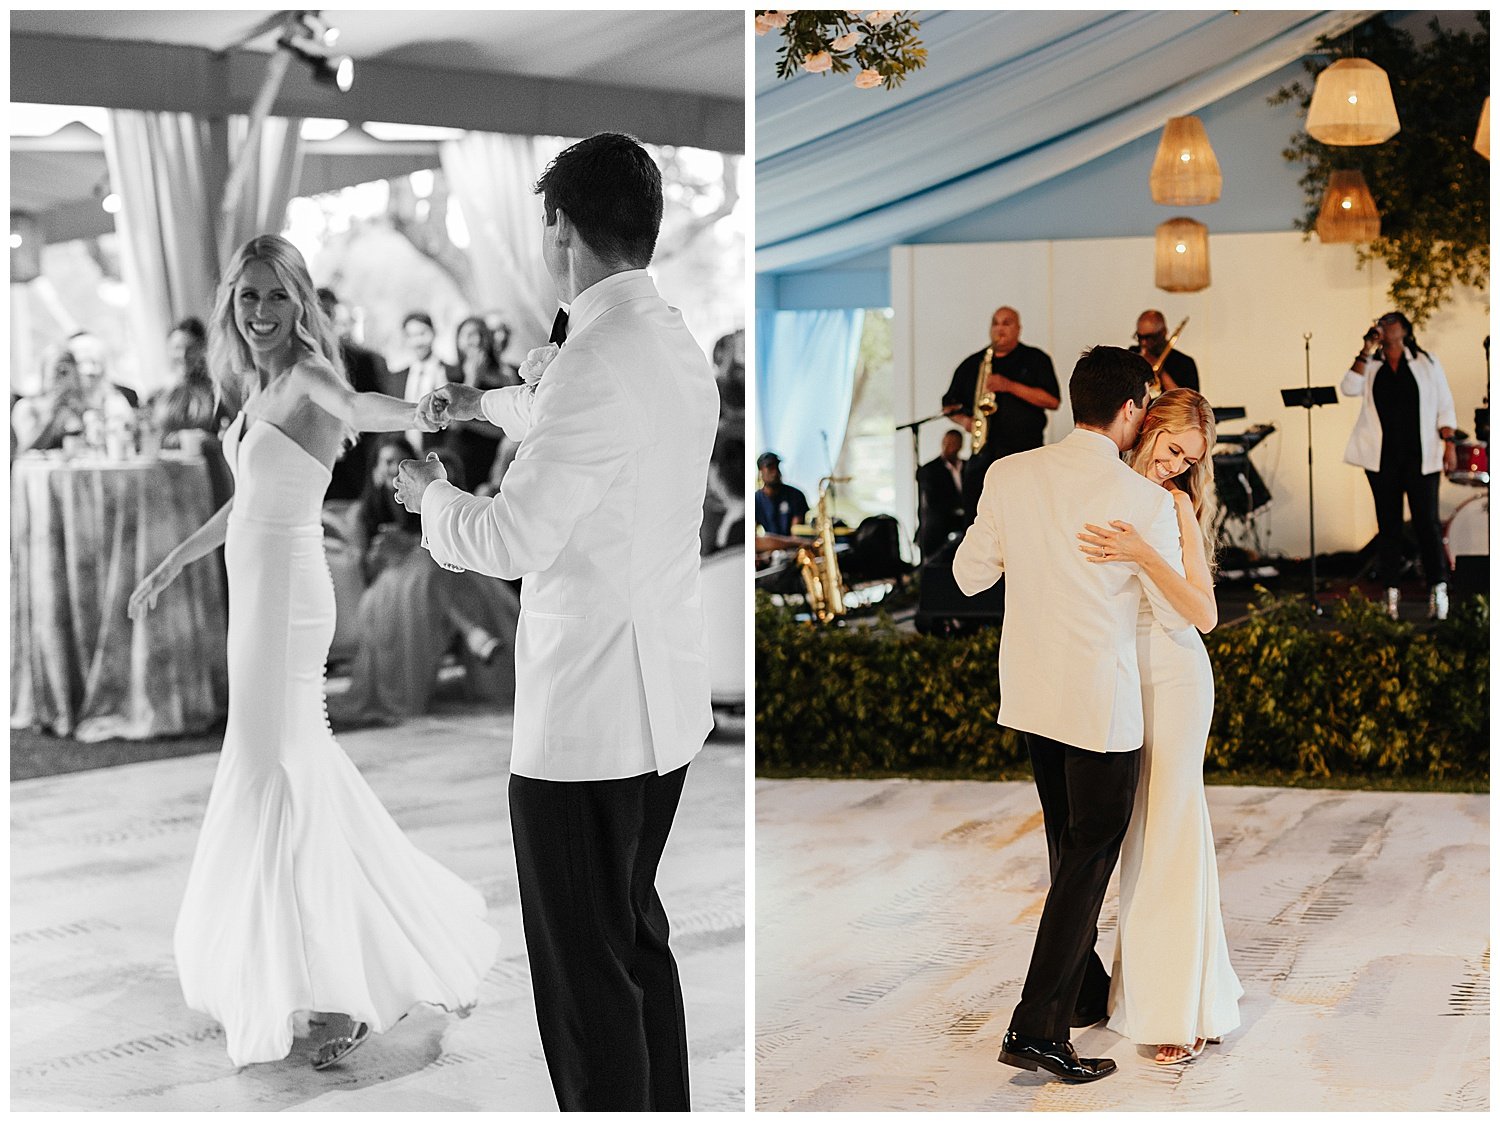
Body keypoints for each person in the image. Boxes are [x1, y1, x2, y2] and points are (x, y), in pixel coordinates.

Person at [396, 131, 717, 1111]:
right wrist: (482, 403)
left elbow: (513, 538)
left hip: (586, 722)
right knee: (634, 944)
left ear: (558, 228)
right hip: (663, 702)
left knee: (584, 982)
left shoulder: (595, 362)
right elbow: (581, 419)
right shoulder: (671, 344)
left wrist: (428, 499)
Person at [126, 233, 498, 1071]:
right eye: (248, 298)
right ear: (232, 302)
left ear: (301, 304)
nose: (260, 314)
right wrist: (171, 563)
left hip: (291, 599)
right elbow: (248, 504)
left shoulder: (310, 379)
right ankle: (329, 967)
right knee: (282, 768)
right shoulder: (253, 387)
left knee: (281, 769)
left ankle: (341, 987)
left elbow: (365, 406)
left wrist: (426, 410)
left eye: (276, 298)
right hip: (254, 596)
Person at [952, 345, 1189, 1084]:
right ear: (1129, 411)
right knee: (1090, 857)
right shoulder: (1142, 499)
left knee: (1067, 843)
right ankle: (1037, 1027)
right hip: (1099, 700)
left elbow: (967, 577)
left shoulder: (1009, 473)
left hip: (1031, 694)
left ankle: (1083, 989)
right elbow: (1171, 615)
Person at [1073, 388, 1243, 1066]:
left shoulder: (1174, 507)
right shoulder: (1103, 485)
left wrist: (1145, 553)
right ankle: (1145, 993)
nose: (1176, 465)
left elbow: (1203, 613)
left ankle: (1178, 1009)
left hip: (1173, 677)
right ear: (1145, 426)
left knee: (1170, 832)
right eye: (1172, 449)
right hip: (1115, 677)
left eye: (1189, 458)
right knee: (1139, 836)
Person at [334, 435, 520, 721]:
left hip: (425, 585)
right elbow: (365, 571)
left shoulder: (418, 506)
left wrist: (409, 543)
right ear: (373, 469)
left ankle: (473, 633)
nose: (393, 468)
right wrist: (383, 554)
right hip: (387, 588)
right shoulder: (364, 514)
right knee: (433, 568)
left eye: (399, 462)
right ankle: (473, 633)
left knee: (435, 570)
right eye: (386, 462)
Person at [1341, 311, 1458, 620]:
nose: (1385, 327)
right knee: (1388, 527)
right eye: (1381, 322)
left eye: (1391, 322)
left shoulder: (1426, 362)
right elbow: (1348, 387)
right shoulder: (1372, 364)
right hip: (1383, 458)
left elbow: (1445, 403)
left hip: (1421, 457)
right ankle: (1391, 596)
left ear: (1405, 329)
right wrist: (1365, 350)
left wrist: (1449, 443)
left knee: (1427, 526)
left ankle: (1439, 591)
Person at [941, 306, 1060, 524]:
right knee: (978, 519)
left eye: (1007, 323)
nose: (1000, 329)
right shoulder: (973, 363)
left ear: (1018, 328)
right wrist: (966, 421)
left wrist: (1008, 385)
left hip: (1025, 454)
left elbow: (1052, 401)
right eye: (995, 323)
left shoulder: (1035, 359)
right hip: (983, 457)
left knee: (1025, 518)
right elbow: (949, 405)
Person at [318, 286, 392, 502]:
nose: (323, 319)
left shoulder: (362, 360)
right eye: (317, 312)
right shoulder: (294, 361)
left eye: (328, 313)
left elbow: (377, 410)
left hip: (356, 466)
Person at [451, 315, 520, 494]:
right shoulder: (452, 374)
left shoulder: (506, 374)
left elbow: (513, 419)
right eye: (469, 335)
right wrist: (473, 377)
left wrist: (470, 420)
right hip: (468, 455)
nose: (476, 340)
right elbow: (454, 423)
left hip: (502, 456)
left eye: (481, 334)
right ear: (458, 341)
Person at [148, 317, 229, 443]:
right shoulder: (158, 393)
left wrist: (209, 440)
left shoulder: (217, 391)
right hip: (170, 461)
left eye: (190, 348)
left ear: (202, 349)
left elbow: (230, 436)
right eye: (177, 348)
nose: (183, 355)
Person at [389, 311, 459, 451]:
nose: (417, 342)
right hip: (404, 454)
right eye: (411, 336)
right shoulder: (396, 378)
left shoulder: (452, 373)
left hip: (441, 453)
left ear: (433, 333)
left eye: (422, 334)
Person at [11, 346, 88, 454]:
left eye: (66, 372)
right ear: (44, 372)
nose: (61, 378)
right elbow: (24, 450)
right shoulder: (27, 407)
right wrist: (51, 414)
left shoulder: (79, 406)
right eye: (56, 371)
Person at [916, 428, 967, 558]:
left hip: (965, 523)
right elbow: (933, 501)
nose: (950, 446)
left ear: (961, 445)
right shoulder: (930, 469)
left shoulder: (968, 466)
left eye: (954, 443)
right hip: (939, 527)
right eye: (947, 442)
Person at [68, 329, 141, 410]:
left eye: (91, 351)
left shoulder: (127, 395)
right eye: (81, 352)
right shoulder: (65, 402)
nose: (89, 370)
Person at [1132, 309, 1199, 393]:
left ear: (1163, 333)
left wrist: (1161, 372)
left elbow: (1188, 403)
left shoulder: (1185, 363)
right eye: (1139, 337)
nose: (1143, 343)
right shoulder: (1132, 354)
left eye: (1149, 337)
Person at [755, 451, 809, 536]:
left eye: (776, 467)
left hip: (793, 547)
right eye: (770, 468)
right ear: (760, 472)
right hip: (771, 547)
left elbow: (796, 535)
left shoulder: (796, 495)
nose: (775, 472)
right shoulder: (756, 500)